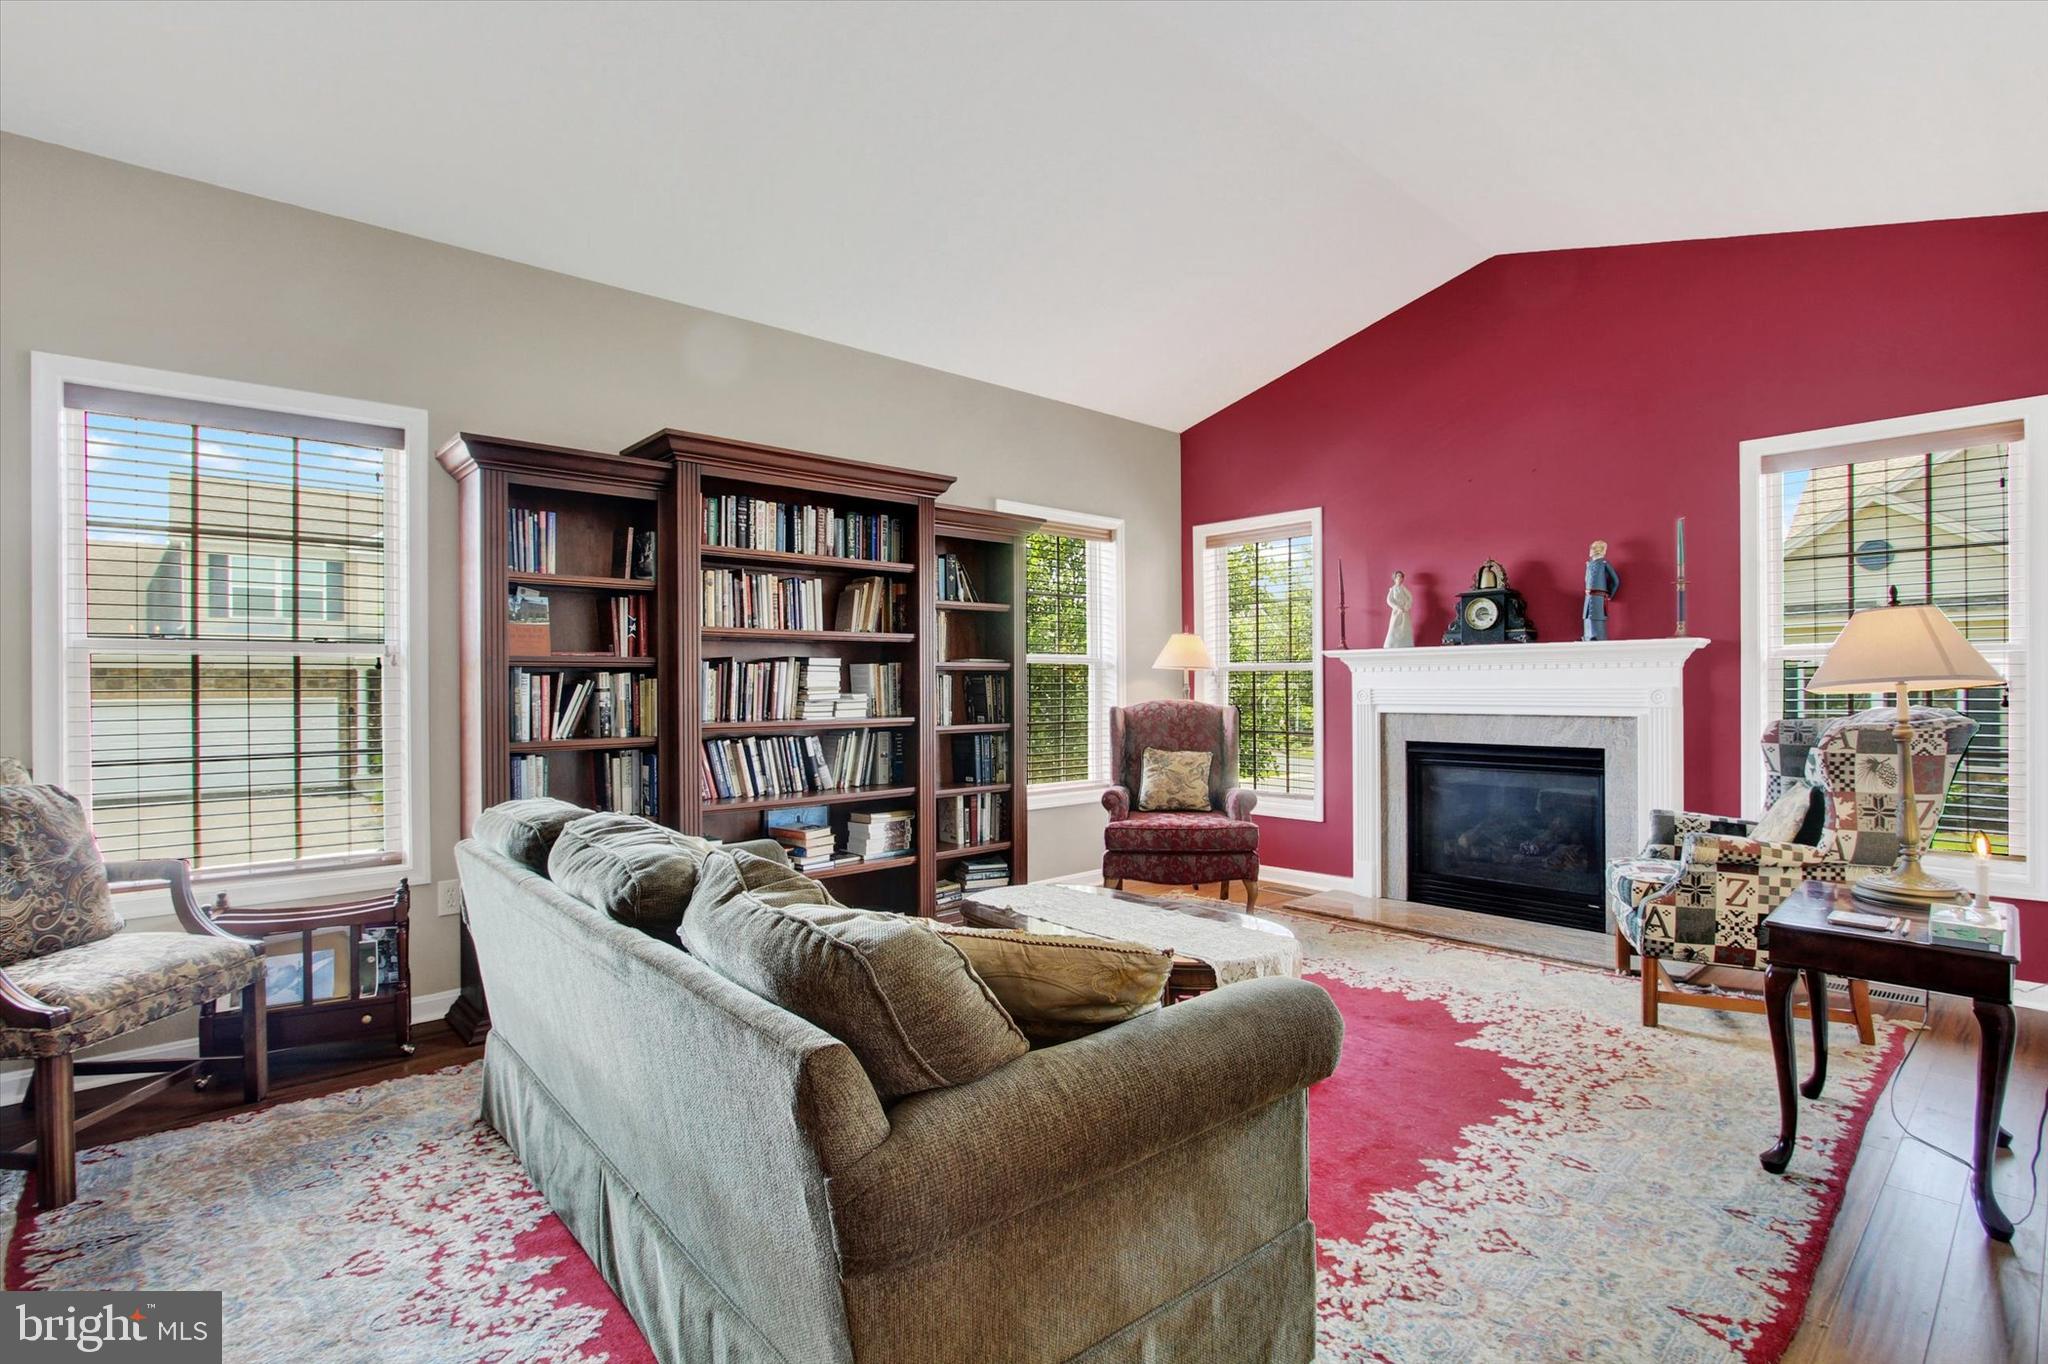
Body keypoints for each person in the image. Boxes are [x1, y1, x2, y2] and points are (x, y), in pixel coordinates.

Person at [1584, 540, 1620, 640]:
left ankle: (1597, 638)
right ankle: (1587, 637)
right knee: (1587, 620)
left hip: (1598, 598)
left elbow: (1616, 581)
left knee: (1598, 620)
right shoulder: (1589, 564)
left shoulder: (1604, 564)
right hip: (1588, 598)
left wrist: (1610, 595)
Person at [1385, 571, 1413, 648]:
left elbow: (1410, 597)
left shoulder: (1403, 588)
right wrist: (1397, 607)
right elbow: (1389, 600)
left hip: (1404, 611)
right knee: (1394, 626)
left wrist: (1406, 606)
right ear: (1394, 578)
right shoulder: (1393, 589)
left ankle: (1405, 643)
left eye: (1401, 577)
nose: (1399, 578)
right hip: (1397, 611)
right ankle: (1392, 644)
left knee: (1405, 627)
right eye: (1398, 577)